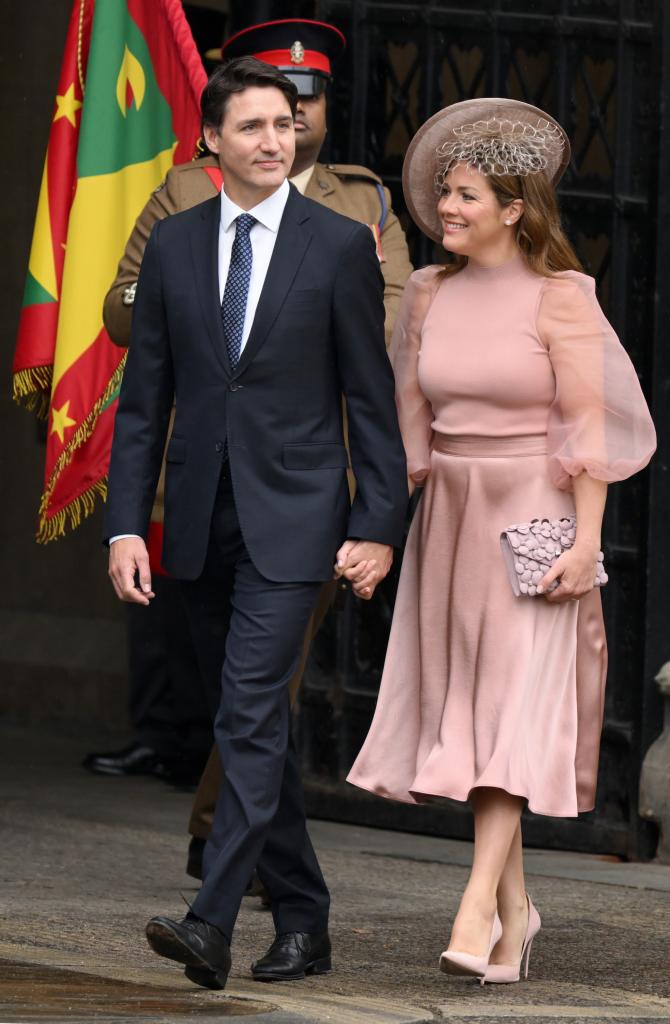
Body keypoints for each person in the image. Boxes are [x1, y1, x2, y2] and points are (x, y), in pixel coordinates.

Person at [104, 57, 408, 990]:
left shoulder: (340, 244)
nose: (275, 140)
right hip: (195, 523)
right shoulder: (175, 244)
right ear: (212, 142)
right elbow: (143, 401)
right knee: (245, 726)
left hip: (298, 522)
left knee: (245, 712)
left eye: (285, 123)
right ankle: (307, 920)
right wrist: (125, 526)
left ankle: (212, 921)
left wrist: (377, 523)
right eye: (253, 127)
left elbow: (371, 396)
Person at [347, 98, 656, 984]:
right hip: (451, 517)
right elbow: (406, 417)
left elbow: (589, 432)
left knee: (513, 714)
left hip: (536, 518)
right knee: (478, 717)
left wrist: (583, 544)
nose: (446, 209)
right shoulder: (430, 294)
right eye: (444, 192)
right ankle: (518, 914)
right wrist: (377, 532)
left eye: (466, 195)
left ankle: (477, 903)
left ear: (514, 208)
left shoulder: (562, 297)